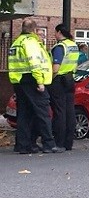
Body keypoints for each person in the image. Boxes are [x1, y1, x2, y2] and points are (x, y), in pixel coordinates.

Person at [8, 19, 63, 154]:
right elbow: (35, 64)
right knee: (43, 112)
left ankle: (23, 145)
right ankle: (49, 144)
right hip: (32, 80)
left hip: (18, 81)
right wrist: (40, 81)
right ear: (33, 30)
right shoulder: (31, 43)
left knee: (24, 114)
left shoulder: (16, 42)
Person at [49, 24, 79, 151]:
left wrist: (48, 78)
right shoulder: (73, 46)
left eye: (55, 32)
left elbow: (56, 67)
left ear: (59, 32)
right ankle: (68, 142)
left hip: (59, 81)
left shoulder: (60, 47)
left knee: (59, 112)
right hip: (70, 79)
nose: (54, 35)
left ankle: (59, 142)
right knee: (69, 111)